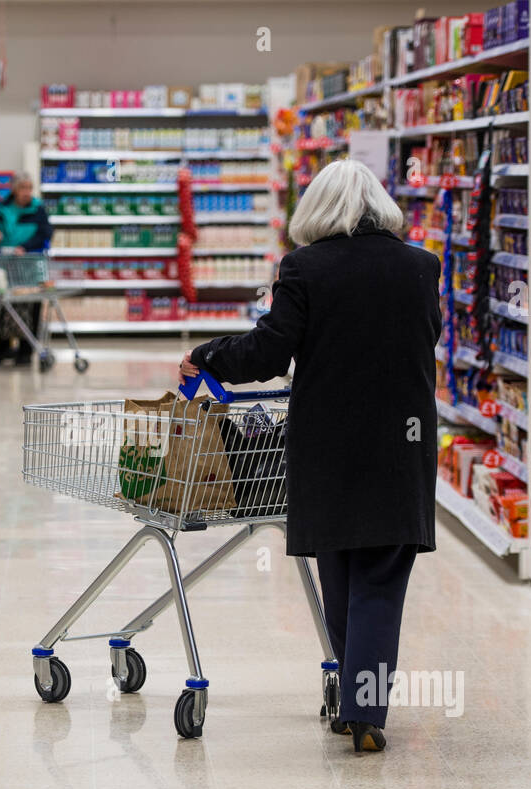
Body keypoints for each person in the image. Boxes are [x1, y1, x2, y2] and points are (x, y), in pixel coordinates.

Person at [178, 158, 441, 754]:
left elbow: (269, 352)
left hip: (326, 442)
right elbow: (425, 339)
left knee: (340, 570)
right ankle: (364, 710)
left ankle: (356, 706)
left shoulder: (303, 267)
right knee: (381, 576)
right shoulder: (422, 267)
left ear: (316, 210)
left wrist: (209, 355)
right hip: (401, 442)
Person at [0, 174, 53, 363]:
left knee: (32, 305)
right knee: (1, 304)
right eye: (22, 188)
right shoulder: (0, 209)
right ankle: (2, 348)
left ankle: (26, 350)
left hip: (30, 265)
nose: (26, 192)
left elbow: (46, 233)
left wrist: (27, 247)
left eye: (29, 188)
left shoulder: (38, 210)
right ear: (14, 190)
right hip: (3, 266)